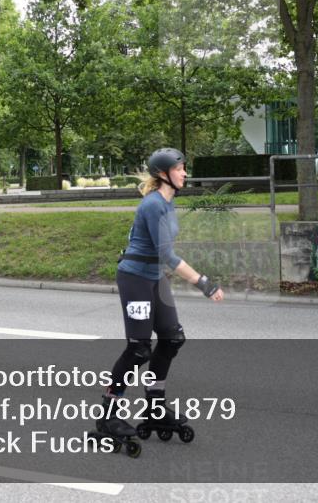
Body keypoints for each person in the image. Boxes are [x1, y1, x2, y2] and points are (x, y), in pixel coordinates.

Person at [96, 147, 224, 441]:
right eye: (179, 169)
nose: (185, 173)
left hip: (153, 276)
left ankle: (155, 407)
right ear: (163, 174)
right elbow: (167, 255)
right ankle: (108, 416)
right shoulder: (153, 204)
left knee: (172, 338)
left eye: (183, 168)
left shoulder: (167, 201)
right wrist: (204, 283)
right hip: (135, 278)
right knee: (138, 349)